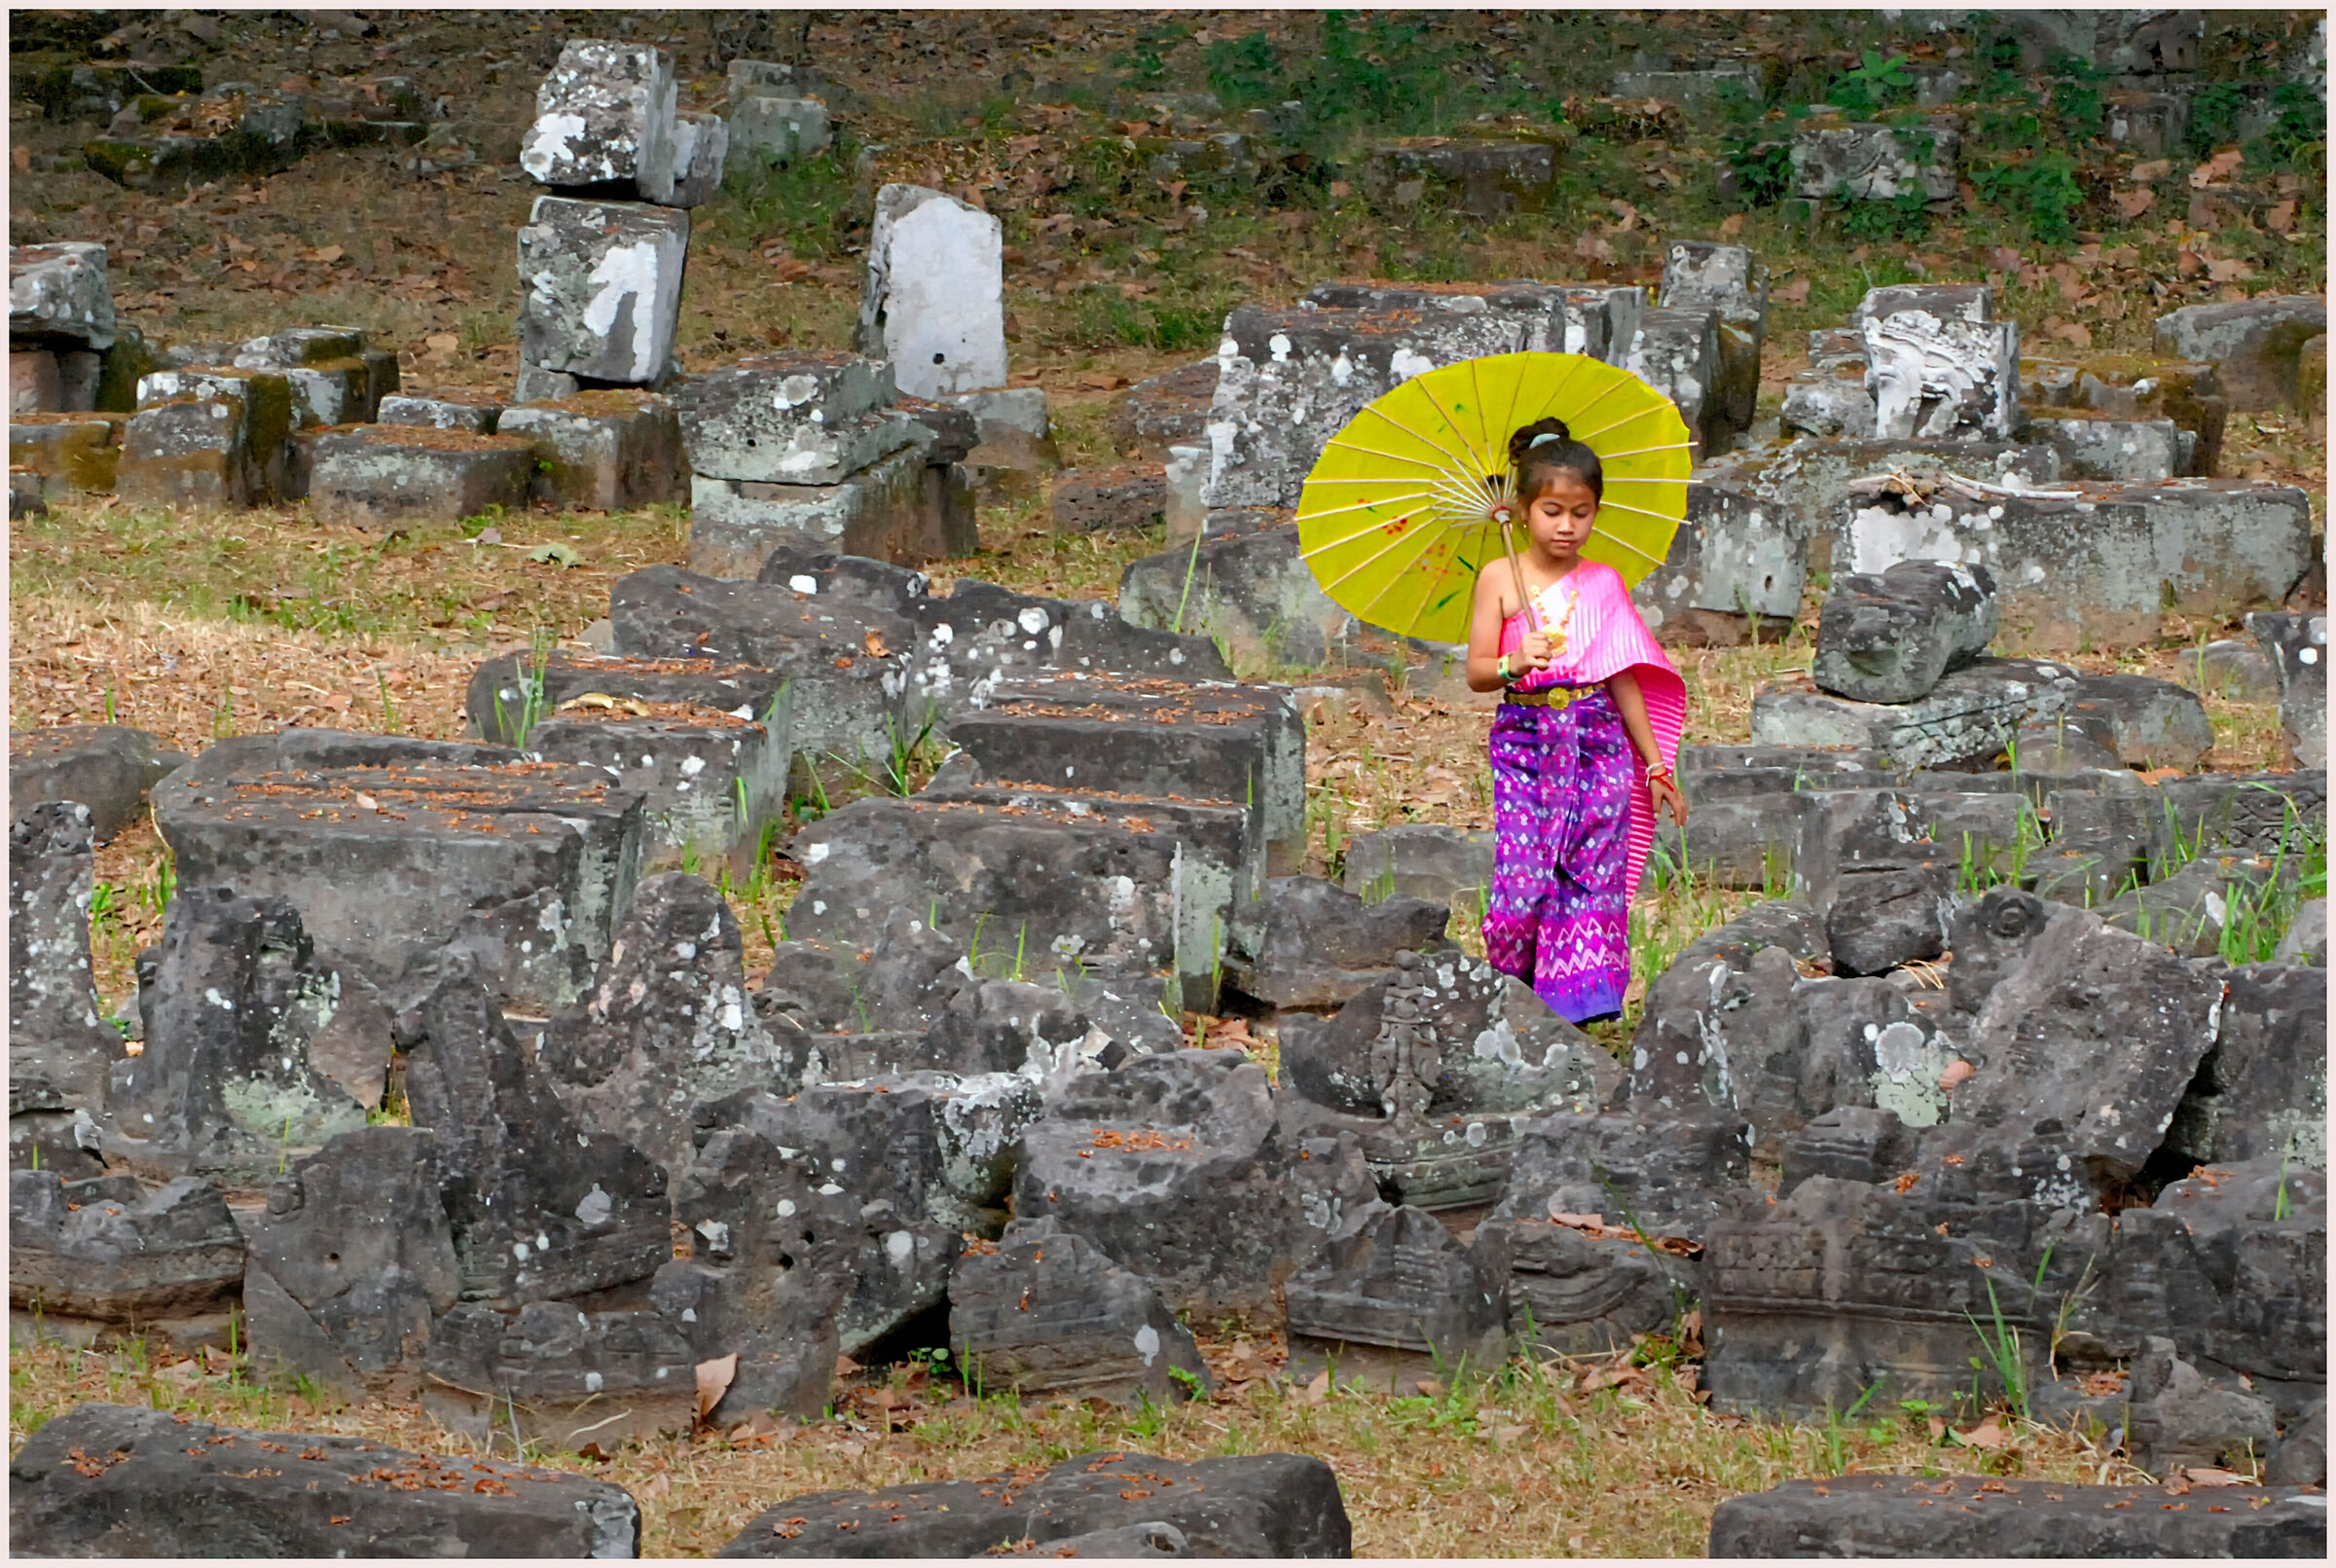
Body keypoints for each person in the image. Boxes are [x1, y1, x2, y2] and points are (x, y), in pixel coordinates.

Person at [1465, 416, 1688, 1025]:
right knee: (1522, 883)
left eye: (1581, 512)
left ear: (1596, 513)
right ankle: (1514, 996)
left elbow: (1623, 676)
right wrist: (1514, 662)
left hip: (1597, 739)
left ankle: (1578, 1011)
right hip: (1526, 741)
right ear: (1521, 510)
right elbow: (1477, 673)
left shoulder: (1604, 584)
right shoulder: (1499, 579)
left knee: (1593, 873)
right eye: (1552, 511)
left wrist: (1655, 765)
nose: (1566, 525)